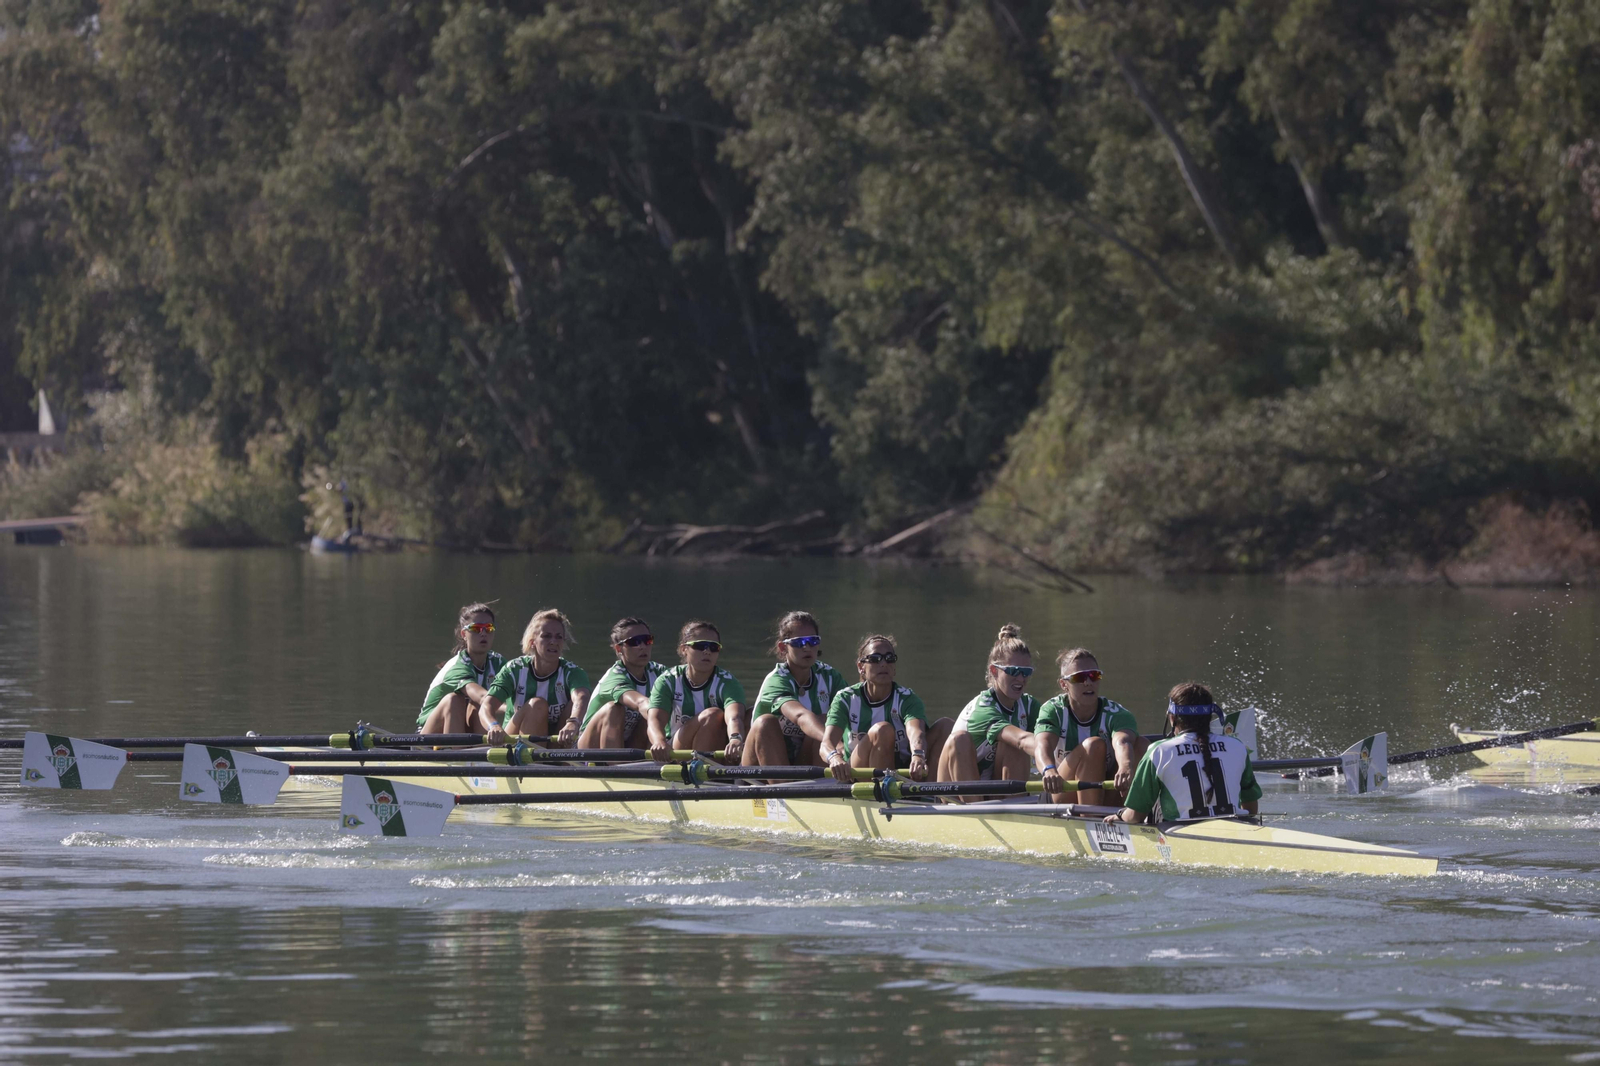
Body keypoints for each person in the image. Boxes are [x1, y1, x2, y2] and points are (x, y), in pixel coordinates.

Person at [1106, 681, 1261, 825]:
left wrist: (1120, 815)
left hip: (1178, 832)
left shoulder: (1159, 751)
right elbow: (1251, 811)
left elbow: (1135, 816)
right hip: (1233, 829)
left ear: (1172, 718)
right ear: (1209, 717)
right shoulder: (1237, 746)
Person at [821, 634, 953, 782]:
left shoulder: (907, 698)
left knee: (946, 726)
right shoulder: (845, 698)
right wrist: (834, 758)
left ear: (894, 666)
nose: (883, 664)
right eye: (875, 659)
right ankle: (881, 793)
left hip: (902, 770)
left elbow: (916, 732)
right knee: (882, 730)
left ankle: (933, 795)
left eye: (889, 658)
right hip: (858, 772)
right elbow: (826, 744)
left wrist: (918, 754)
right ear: (861, 667)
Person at [1033, 648, 1147, 807]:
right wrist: (1049, 770)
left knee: (1142, 745)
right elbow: (1041, 745)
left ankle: (1132, 813)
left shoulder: (1117, 713)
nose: (1088, 682)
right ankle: (1091, 816)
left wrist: (1126, 766)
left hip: (1102, 791)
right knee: (1093, 745)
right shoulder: (1054, 710)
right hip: (1060, 791)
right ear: (1064, 684)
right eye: (1079, 677)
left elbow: (1123, 742)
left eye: (1094, 676)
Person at [744, 611, 849, 768]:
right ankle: (782, 790)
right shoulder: (776, 681)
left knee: (824, 720)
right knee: (765, 723)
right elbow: (800, 716)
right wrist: (834, 745)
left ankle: (821, 785)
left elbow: (853, 713)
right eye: (799, 642)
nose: (807, 648)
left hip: (803, 759)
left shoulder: (831, 677)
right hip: (760, 765)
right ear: (783, 647)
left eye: (812, 641)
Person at [940, 625, 1041, 784]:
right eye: (1013, 671)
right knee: (961, 739)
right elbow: (1022, 740)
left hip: (993, 791)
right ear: (994, 671)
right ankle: (976, 807)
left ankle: (1012, 804)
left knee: (1014, 744)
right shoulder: (983, 709)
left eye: (1026, 672)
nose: (1021, 678)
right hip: (957, 796)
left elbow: (1052, 737)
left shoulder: (1029, 705)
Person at [481, 609, 591, 745]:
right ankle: (531, 762)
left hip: (556, 744)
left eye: (559, 637)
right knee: (537, 705)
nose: (553, 642)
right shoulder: (514, 669)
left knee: (573, 707)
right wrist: (493, 726)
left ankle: (560, 761)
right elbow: (486, 706)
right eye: (546, 636)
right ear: (532, 642)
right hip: (514, 742)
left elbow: (582, 697)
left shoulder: (572, 672)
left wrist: (574, 721)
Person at [647, 620, 748, 762]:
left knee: (750, 716)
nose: (707, 651)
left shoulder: (728, 682)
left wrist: (735, 739)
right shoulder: (668, 680)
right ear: (684, 649)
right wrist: (659, 742)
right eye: (700, 646)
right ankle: (698, 771)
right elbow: (654, 720)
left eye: (713, 647)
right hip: (677, 750)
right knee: (712, 715)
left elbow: (734, 717)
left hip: (718, 747)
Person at [416, 602, 507, 741]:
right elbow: (482, 697)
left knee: (478, 705)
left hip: (464, 728)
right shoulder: (457, 666)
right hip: (428, 737)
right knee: (455, 699)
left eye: (488, 628)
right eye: (476, 628)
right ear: (464, 634)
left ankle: (482, 755)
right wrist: (515, 708)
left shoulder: (498, 662)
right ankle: (458, 756)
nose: (483, 633)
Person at [578, 617, 669, 756]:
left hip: (629, 743)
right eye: (634, 642)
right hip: (589, 749)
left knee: (653, 717)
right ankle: (616, 768)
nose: (642, 646)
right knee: (614, 709)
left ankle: (651, 764)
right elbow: (640, 703)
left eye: (647, 640)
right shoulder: (613, 677)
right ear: (619, 648)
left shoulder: (660, 672)